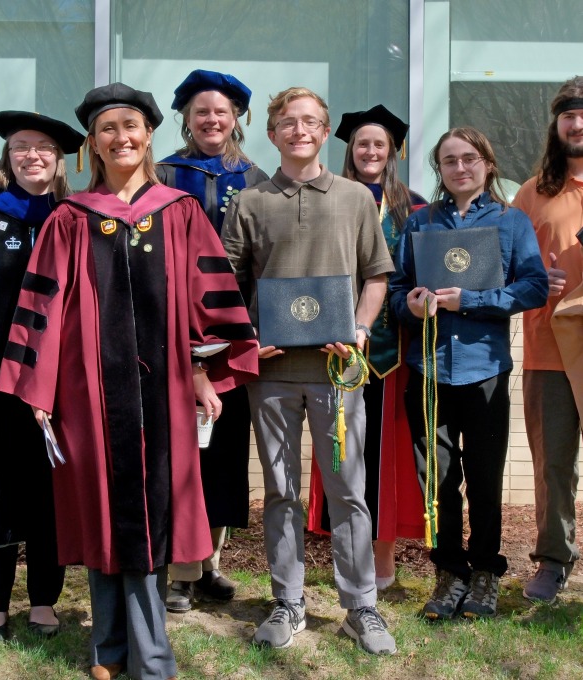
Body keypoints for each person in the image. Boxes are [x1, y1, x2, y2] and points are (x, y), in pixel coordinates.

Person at [0, 83, 258, 680]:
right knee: (100, 508)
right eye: (108, 128)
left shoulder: (180, 211)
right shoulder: (70, 219)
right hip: (86, 392)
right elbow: (44, 307)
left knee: (153, 509)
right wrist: (40, 392)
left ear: (148, 136)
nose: (122, 137)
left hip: (163, 390)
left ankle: (148, 652)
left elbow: (206, 302)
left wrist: (199, 373)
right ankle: (110, 647)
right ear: (92, 141)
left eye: (132, 126)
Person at [221, 87, 397, 656]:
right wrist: (246, 337)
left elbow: (375, 275)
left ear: (326, 132)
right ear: (271, 133)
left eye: (311, 122)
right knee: (280, 489)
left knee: (348, 490)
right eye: (288, 122)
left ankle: (360, 605)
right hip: (270, 373)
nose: (300, 130)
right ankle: (288, 599)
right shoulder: (249, 201)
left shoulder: (354, 198)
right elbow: (227, 284)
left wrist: (362, 329)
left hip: (337, 371)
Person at [389, 126, 548, 620]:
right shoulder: (421, 224)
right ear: (440, 169)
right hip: (429, 370)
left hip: (485, 372)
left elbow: (534, 287)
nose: (460, 168)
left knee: (483, 477)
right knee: (437, 477)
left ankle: (484, 573)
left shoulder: (511, 221)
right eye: (449, 161)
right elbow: (395, 291)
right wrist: (412, 306)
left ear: (488, 163)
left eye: (469, 159)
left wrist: (473, 300)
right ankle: (449, 572)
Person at [0, 111, 84, 644]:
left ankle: (45, 602)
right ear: (8, 156)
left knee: (51, 491)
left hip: (58, 387)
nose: (33, 156)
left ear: (60, 159)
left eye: (44, 147)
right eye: (22, 147)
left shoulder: (72, 218)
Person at [157, 69, 268, 613]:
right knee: (181, 450)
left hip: (233, 333)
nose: (212, 120)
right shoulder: (161, 175)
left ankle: (211, 565)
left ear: (237, 118)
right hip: (171, 331)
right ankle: (179, 569)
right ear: (186, 117)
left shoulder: (258, 179)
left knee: (223, 449)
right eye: (201, 112)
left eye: (221, 112)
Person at [307, 104, 426, 589]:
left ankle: (383, 560)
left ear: (392, 150)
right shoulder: (327, 199)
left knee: (386, 456)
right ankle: (348, 556)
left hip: (393, 351)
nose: (371, 151)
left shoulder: (413, 207)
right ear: (349, 151)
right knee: (342, 450)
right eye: (361, 144)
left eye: (379, 144)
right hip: (336, 346)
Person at [513, 76, 583, 603]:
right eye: (568, 116)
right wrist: (540, 279)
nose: (577, 124)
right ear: (556, 125)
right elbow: (509, 270)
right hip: (548, 349)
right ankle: (554, 559)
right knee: (552, 462)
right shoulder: (533, 192)